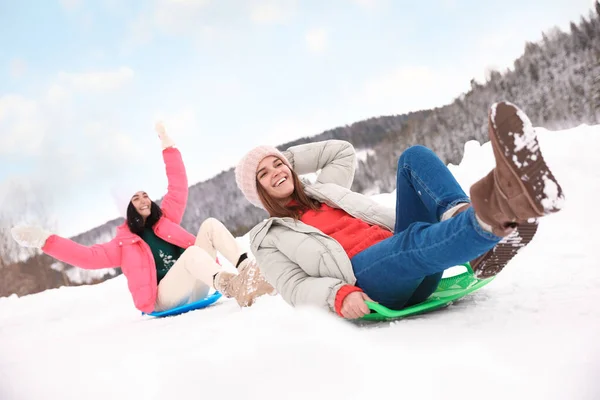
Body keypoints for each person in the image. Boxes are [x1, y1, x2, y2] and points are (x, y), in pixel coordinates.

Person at [234, 101, 564, 319]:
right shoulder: (269, 236)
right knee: (410, 243)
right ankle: (490, 220)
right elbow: (293, 287)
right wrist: (337, 295)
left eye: (278, 165)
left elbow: (341, 152)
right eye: (263, 174)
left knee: (413, 157)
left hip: (408, 261)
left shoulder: (324, 190)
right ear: (258, 192)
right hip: (368, 280)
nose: (275, 172)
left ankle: (464, 219)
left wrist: (284, 159)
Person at [11, 122, 274, 314]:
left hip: (196, 284)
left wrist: (168, 146)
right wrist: (45, 240)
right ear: (128, 209)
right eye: (135, 199)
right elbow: (86, 257)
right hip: (163, 298)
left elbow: (178, 185)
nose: (143, 200)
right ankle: (235, 286)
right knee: (193, 254)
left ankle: (248, 272)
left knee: (210, 225)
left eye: (145, 195)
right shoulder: (123, 244)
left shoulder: (165, 219)